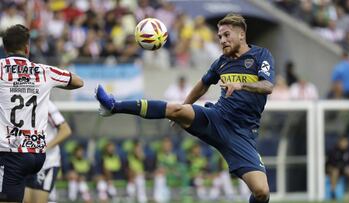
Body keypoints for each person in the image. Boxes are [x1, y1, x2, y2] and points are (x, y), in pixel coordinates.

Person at [96, 13, 274, 203]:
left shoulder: (260, 55)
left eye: (226, 35)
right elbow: (203, 84)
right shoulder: (221, 62)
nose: (222, 40)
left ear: (241, 34)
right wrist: (184, 107)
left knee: (261, 192)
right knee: (175, 109)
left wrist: (241, 85)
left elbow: (267, 86)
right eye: (220, 36)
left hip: (242, 133)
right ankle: (113, 106)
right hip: (217, 118)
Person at [0, 24, 83, 202]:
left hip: (11, 152)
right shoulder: (43, 71)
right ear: (27, 48)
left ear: (5, 48)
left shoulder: (0, 69)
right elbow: (78, 82)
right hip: (37, 154)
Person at [23, 101, 72, 203]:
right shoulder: (18, 101)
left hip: (46, 162)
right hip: (26, 161)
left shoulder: (45, 103)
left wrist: (43, 148)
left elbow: (65, 130)